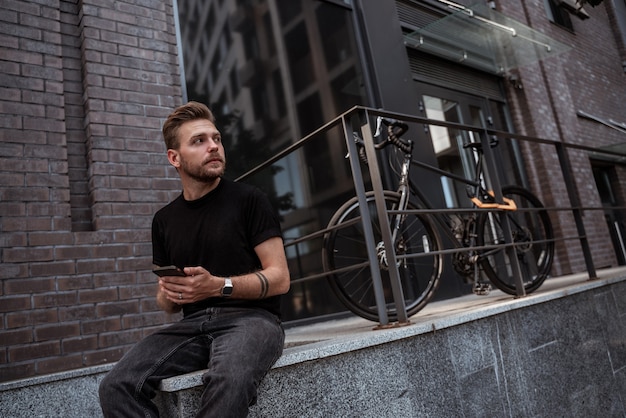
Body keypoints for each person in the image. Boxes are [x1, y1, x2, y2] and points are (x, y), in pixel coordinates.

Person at [99, 101, 291, 417]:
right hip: (192, 326)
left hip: (252, 320)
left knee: (228, 380)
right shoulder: (164, 220)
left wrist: (218, 286)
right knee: (116, 385)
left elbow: (280, 278)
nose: (213, 146)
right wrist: (171, 293)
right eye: (199, 141)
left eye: (216, 138)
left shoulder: (249, 200)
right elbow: (167, 302)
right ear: (174, 157)